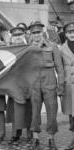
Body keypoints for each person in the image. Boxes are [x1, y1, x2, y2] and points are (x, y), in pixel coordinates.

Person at [28, 21, 64, 150]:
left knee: (52, 111)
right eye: (33, 33)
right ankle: (35, 138)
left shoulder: (52, 46)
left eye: (38, 32)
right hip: (34, 81)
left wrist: (61, 85)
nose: (36, 35)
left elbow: (59, 68)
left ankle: (51, 138)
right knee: (35, 111)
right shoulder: (28, 48)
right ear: (30, 34)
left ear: (43, 32)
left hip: (49, 80)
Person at [6, 25, 32, 143]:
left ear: (24, 35)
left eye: (19, 35)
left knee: (29, 109)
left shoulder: (29, 48)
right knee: (15, 110)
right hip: (14, 84)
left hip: (27, 83)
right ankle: (15, 134)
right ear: (12, 37)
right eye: (15, 35)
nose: (17, 38)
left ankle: (30, 133)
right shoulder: (7, 50)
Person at [60, 21, 74, 150]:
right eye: (70, 32)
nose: (72, 34)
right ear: (65, 34)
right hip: (69, 86)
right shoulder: (61, 49)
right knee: (72, 114)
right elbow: (59, 68)